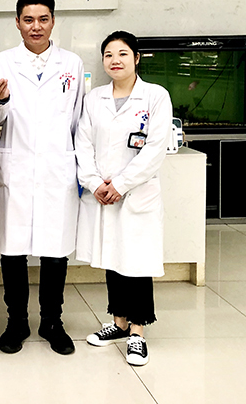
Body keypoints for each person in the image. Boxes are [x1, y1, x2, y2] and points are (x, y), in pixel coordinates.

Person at [0, 0, 85, 356]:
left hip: (57, 168)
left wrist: (77, 164)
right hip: (16, 166)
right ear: (17, 23)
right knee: (12, 251)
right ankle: (16, 321)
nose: (36, 26)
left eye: (43, 19)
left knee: (54, 251)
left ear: (53, 21)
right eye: (28, 19)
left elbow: (77, 119)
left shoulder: (72, 64)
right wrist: (0, 99)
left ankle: (51, 321)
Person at [75, 30, 173, 367]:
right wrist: (94, 183)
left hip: (135, 194)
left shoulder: (155, 97)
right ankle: (118, 323)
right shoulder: (94, 98)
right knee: (113, 257)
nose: (115, 61)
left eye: (122, 54)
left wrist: (120, 184)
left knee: (137, 262)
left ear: (136, 58)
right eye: (109, 55)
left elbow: (154, 149)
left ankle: (137, 332)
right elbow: (83, 144)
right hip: (103, 194)